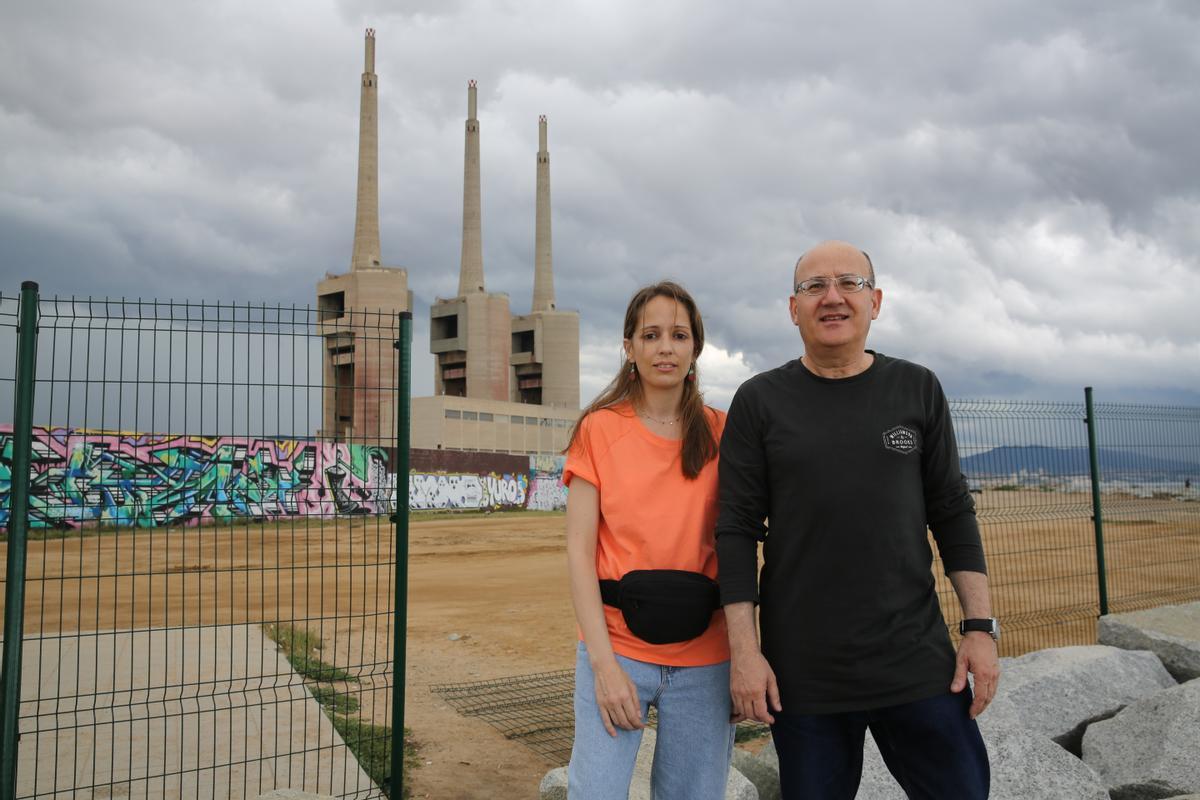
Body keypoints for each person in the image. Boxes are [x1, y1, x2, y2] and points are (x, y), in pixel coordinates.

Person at [716, 241, 999, 799]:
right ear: (792, 308)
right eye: (813, 286)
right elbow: (735, 531)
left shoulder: (917, 388)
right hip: (804, 671)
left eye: (849, 282)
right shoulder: (758, 401)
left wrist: (979, 629)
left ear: (876, 300)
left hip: (914, 659)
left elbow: (952, 512)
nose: (832, 297)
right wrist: (745, 656)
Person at [564, 281, 733, 799]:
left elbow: (745, 543)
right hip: (617, 651)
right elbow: (579, 551)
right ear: (629, 347)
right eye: (651, 334)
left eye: (679, 335)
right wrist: (603, 666)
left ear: (695, 348)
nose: (666, 347)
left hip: (707, 657)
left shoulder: (724, 432)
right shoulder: (597, 429)